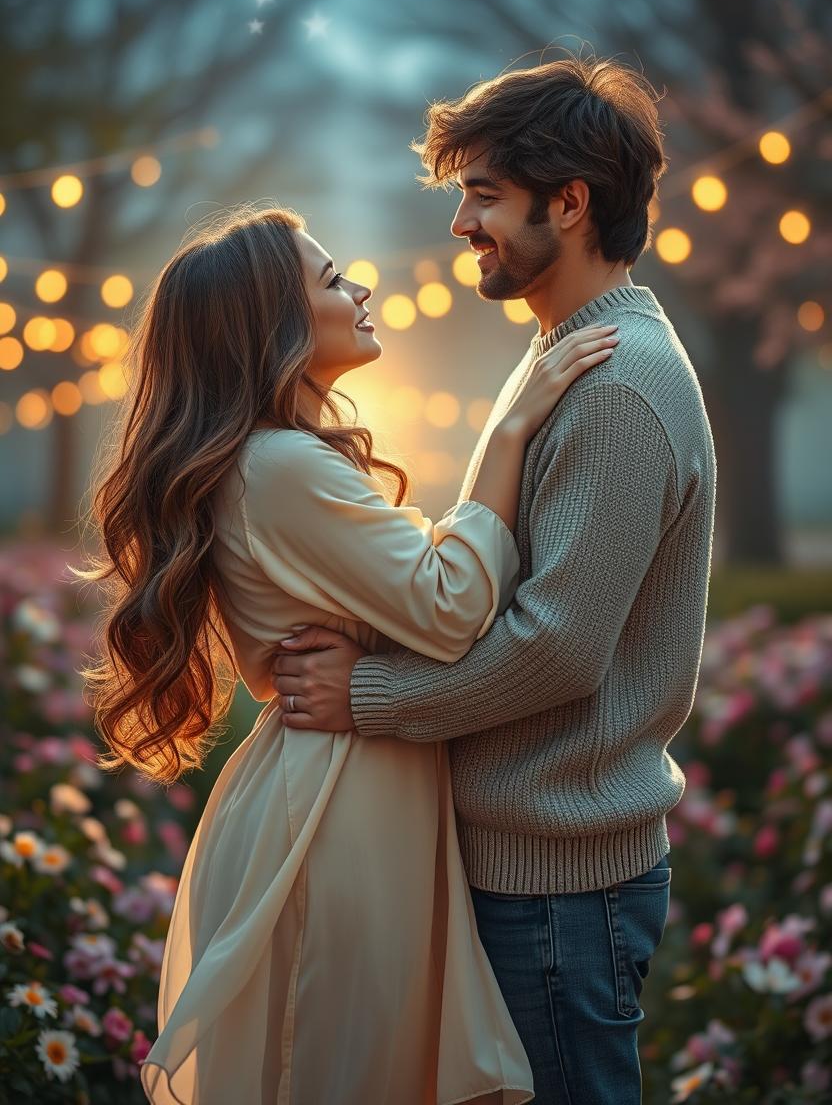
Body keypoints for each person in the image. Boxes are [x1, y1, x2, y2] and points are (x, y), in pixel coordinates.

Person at [76, 198, 620, 1104]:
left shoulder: (276, 462)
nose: (362, 286)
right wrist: (509, 430)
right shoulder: (281, 468)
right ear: (276, 326)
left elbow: (421, 593)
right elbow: (450, 607)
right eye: (332, 280)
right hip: (332, 818)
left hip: (344, 790)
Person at [269, 55, 718, 1104]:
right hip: (528, 870)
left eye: (483, 194)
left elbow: (556, 645)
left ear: (568, 203)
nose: (461, 223)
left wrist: (364, 696)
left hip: (560, 886)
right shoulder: (567, 354)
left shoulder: (615, 386)